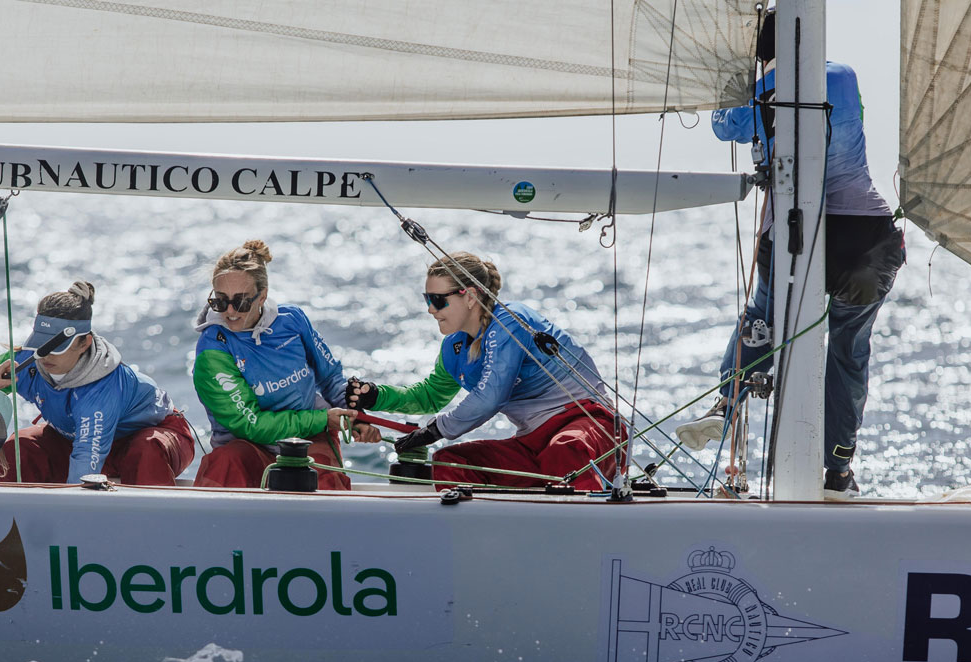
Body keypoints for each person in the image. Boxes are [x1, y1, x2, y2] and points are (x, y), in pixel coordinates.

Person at [675, 9, 904, 499]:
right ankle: (838, 473)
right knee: (849, 351)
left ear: (759, 48)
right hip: (870, 237)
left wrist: (737, 77)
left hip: (801, 230)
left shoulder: (762, 90)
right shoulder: (845, 74)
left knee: (761, 318)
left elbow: (724, 127)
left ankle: (726, 405)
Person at [346, 252, 622, 491]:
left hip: (590, 427)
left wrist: (436, 429)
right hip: (535, 442)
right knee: (451, 463)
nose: (430, 309)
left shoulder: (511, 321)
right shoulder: (453, 349)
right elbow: (429, 397)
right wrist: (376, 397)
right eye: (426, 299)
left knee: (564, 449)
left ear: (471, 296)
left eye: (438, 300)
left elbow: (492, 396)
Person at [192, 239, 376, 489]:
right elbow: (252, 425)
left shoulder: (293, 320)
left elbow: (331, 379)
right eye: (220, 301)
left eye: (242, 301)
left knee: (323, 478)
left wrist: (357, 417)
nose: (230, 311)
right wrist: (324, 419)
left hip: (308, 439)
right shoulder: (213, 349)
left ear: (262, 296)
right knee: (225, 462)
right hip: (248, 445)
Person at [0, 281, 195, 485]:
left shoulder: (101, 386)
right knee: (19, 446)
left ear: (84, 343)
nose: (45, 355)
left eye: (57, 347)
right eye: (42, 343)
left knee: (144, 450)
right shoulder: (26, 363)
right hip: (80, 438)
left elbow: (86, 461)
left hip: (152, 437)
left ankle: (151, 524)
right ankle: (15, 522)